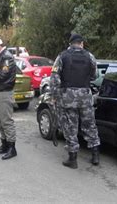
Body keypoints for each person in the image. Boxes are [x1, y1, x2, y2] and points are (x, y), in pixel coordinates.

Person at [49, 33, 100, 169]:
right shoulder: (90, 56)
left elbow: (54, 78)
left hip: (68, 97)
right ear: (82, 43)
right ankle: (95, 155)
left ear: (70, 44)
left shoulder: (62, 56)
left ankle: (73, 159)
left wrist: (54, 96)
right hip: (85, 96)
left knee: (70, 126)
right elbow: (95, 76)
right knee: (89, 124)